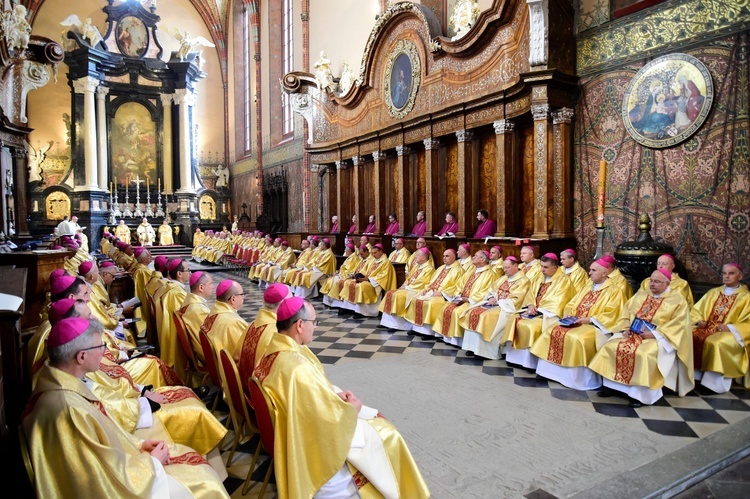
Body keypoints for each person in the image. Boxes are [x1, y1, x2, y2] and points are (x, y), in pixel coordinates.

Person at [23, 317, 229, 498]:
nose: (104, 352)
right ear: (81, 357)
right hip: (129, 484)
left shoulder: (62, 384)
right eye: (99, 347)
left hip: (126, 462)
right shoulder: (67, 411)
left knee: (196, 466)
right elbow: (98, 480)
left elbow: (103, 441)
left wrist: (139, 444)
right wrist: (152, 464)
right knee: (206, 485)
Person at [252, 298, 430, 498]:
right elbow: (326, 420)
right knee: (389, 433)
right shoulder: (296, 366)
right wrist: (351, 410)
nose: (316, 327)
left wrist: (332, 395)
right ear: (300, 325)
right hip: (314, 444)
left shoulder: (274, 351)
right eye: (314, 322)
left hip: (294, 428)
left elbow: (304, 397)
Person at [589, 269, 693, 407]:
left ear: (668, 283)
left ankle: (638, 394)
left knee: (643, 354)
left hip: (658, 339)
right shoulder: (641, 295)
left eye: (657, 282)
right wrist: (625, 329)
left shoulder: (678, 301)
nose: (652, 284)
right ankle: (611, 386)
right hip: (632, 334)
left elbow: (679, 327)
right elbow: (625, 314)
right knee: (610, 346)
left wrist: (653, 334)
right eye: (651, 280)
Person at [530, 258, 627, 390]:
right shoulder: (587, 286)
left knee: (577, 338)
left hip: (594, 326)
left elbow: (613, 313)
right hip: (576, 320)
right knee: (551, 330)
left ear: (604, 273)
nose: (589, 272)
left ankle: (575, 378)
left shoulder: (615, 291)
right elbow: (571, 303)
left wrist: (589, 320)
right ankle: (548, 372)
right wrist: (569, 313)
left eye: (593, 270)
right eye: (590, 269)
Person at [501, 253, 576, 369]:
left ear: (555, 267)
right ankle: (513, 358)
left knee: (530, 326)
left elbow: (558, 301)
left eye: (546, 267)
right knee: (514, 318)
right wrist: (530, 305)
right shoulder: (539, 277)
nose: (542, 269)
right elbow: (530, 293)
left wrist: (538, 311)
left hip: (549, 314)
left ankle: (529, 362)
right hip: (533, 310)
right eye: (541, 266)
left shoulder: (563, 281)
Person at [691, 263, 750, 393]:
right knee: (689, 336)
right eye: (724, 273)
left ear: (740, 276)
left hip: (731, 333)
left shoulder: (746, 297)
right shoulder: (713, 292)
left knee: (716, 343)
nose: (726, 276)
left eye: (731, 273)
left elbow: (748, 323)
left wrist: (731, 327)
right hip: (706, 328)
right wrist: (698, 321)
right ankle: (695, 377)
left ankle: (714, 385)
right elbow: (696, 310)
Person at [461, 256, 530, 359]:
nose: (505, 270)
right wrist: (491, 297)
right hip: (495, 304)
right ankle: (472, 347)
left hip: (507, 308)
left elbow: (517, 299)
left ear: (515, 266)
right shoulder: (503, 278)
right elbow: (492, 289)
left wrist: (499, 302)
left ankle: (484, 351)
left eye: (507, 268)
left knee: (485, 316)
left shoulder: (523, 281)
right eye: (504, 268)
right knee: (473, 311)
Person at [432, 250, 497, 346]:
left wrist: (468, 299)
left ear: (482, 260)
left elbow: (487, 291)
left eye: (475, 256)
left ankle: (457, 340)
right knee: (446, 307)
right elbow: (460, 284)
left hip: (473, 302)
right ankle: (448, 338)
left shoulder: (490, 274)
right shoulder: (471, 271)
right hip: (462, 299)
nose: (473, 257)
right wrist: (458, 294)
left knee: (457, 312)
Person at [236, 283, 290, 385]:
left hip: (245, 386)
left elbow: (236, 356)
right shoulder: (279, 334)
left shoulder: (252, 324)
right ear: (283, 304)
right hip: (261, 391)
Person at [404, 249, 465, 337]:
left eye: (447, 256)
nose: (444, 258)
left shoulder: (459, 270)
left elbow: (457, 286)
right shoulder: (440, 268)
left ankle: (428, 331)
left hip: (444, 296)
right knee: (415, 299)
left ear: (454, 257)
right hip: (431, 292)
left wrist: (442, 294)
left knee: (431, 304)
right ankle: (417, 328)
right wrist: (426, 289)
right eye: (443, 256)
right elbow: (431, 282)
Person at [379, 248, 435, 331]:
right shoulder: (417, 267)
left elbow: (423, 282)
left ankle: (397, 325)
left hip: (416, 291)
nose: (415, 257)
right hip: (409, 288)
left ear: (423, 258)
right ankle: (387, 323)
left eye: (417, 256)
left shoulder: (429, 268)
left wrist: (407, 287)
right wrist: (404, 285)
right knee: (390, 293)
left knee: (397, 296)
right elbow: (409, 278)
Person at [342, 243, 396, 316]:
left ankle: (362, 311)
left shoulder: (386, 262)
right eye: (372, 253)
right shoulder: (373, 260)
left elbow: (383, 276)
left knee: (362, 286)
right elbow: (365, 270)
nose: (373, 255)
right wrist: (359, 276)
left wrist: (368, 279)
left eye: (375, 253)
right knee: (350, 283)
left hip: (376, 283)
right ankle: (348, 308)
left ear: (381, 251)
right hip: (367, 280)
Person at [200, 279, 248, 362]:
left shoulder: (213, 312)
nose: (244, 297)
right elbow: (245, 354)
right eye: (242, 294)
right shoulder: (234, 322)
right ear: (233, 299)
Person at [178, 271, 214, 363]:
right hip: (206, 357)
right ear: (201, 287)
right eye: (210, 284)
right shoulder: (200, 310)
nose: (213, 286)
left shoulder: (188, 301)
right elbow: (212, 338)